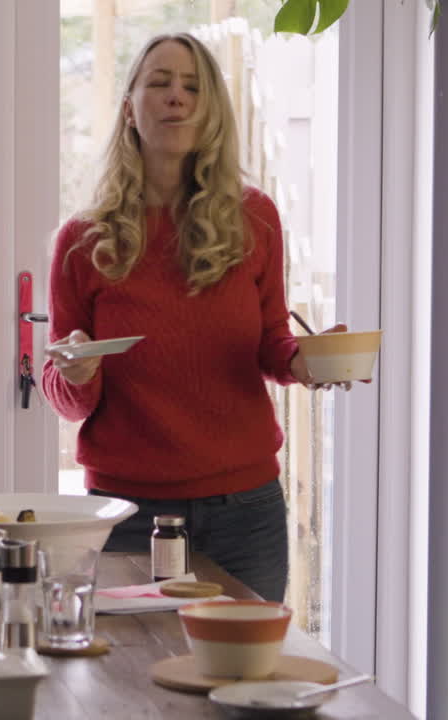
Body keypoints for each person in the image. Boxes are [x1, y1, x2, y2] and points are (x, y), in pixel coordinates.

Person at [41, 32, 346, 603]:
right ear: (130, 108)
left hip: (244, 512)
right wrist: (76, 373)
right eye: (159, 83)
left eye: (192, 87)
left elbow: (272, 345)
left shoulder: (254, 218)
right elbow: (64, 390)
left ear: (210, 113)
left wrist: (310, 362)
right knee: (129, 686)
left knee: (244, 682)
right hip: (126, 514)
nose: (176, 97)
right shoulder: (83, 240)